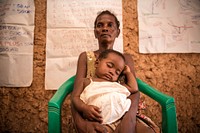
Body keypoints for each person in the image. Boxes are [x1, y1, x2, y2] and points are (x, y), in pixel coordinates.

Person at [71, 10, 160, 133]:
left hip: (125, 113)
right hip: (97, 117)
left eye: (110, 25)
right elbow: (75, 95)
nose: (105, 28)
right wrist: (83, 125)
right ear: (95, 32)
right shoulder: (86, 57)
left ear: (118, 32)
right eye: (100, 25)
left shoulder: (125, 59)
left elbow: (135, 92)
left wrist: (129, 119)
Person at [72, 49, 138, 132]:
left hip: (121, 119)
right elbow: (75, 97)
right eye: (109, 66)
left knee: (146, 129)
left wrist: (128, 72)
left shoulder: (117, 85)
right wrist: (84, 108)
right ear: (96, 63)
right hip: (99, 121)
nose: (112, 72)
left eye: (117, 72)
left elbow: (134, 88)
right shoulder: (86, 81)